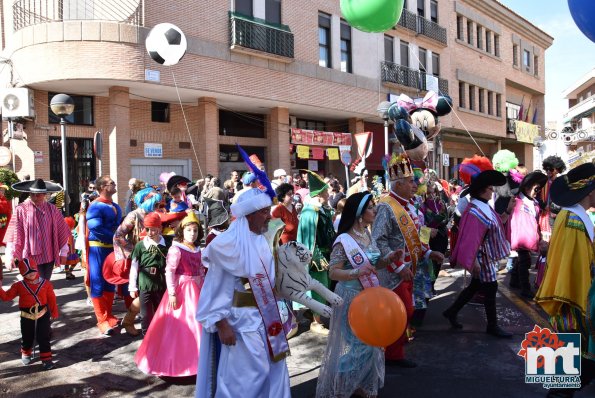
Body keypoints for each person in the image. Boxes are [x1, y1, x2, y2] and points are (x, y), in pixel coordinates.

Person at [196, 187, 291, 398]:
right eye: (264, 212)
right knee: (246, 379)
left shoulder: (263, 240)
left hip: (269, 320)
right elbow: (215, 288)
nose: (269, 216)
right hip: (242, 324)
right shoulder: (227, 246)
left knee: (276, 370)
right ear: (249, 214)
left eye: (268, 211)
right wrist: (221, 324)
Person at [316, 192, 403, 398]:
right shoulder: (343, 240)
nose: (375, 210)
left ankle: (359, 384)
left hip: (369, 297)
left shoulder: (367, 234)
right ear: (359, 214)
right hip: (350, 297)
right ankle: (339, 378)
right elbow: (333, 272)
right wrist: (356, 272)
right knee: (360, 346)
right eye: (371, 208)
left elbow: (374, 264)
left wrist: (390, 258)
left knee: (372, 343)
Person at [371, 153, 444, 368]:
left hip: (409, 268)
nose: (416, 184)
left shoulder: (409, 205)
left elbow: (415, 235)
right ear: (399, 183)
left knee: (405, 311)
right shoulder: (386, 206)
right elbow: (378, 242)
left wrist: (429, 253)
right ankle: (392, 354)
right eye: (411, 181)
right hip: (393, 272)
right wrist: (399, 265)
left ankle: (395, 346)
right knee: (401, 311)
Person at [535, 162, 595, 397]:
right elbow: (579, 270)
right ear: (590, 191)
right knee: (568, 378)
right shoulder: (574, 221)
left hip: (569, 303)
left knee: (565, 378)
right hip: (573, 304)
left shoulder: (573, 216)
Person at [443, 157, 513, 338]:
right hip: (482, 257)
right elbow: (471, 239)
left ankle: (452, 311)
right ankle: (492, 326)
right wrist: (473, 261)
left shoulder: (483, 206)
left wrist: (507, 211)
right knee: (490, 288)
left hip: (486, 256)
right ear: (482, 190)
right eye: (490, 188)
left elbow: (497, 224)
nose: (492, 191)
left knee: (474, 287)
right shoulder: (476, 209)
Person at [135, 212, 206, 376]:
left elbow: (201, 271)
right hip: (181, 291)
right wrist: (173, 293)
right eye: (189, 230)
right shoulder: (176, 248)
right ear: (182, 231)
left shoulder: (197, 249)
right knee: (179, 326)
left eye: (195, 230)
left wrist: (203, 289)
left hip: (196, 291)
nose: (192, 234)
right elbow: (169, 272)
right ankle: (175, 362)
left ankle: (198, 360)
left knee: (197, 325)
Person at [6, 179, 71, 281]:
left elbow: (61, 231)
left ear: (45, 194)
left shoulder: (53, 209)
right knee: (33, 284)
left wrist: (63, 253)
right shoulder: (21, 209)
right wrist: (9, 255)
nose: (35, 197)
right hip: (29, 255)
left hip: (49, 254)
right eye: (32, 194)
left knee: (45, 283)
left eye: (38, 194)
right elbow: (13, 234)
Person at [0, 258, 58, 370]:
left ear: (37, 269)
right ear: (22, 273)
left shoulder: (46, 284)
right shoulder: (18, 285)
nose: (31, 274)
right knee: (27, 336)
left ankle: (46, 359)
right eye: (27, 273)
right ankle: (26, 353)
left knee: (44, 337)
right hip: (26, 315)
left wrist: (54, 311)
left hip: (43, 313)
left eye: (33, 271)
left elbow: (52, 298)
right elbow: (6, 297)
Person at [297, 170, 335, 335]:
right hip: (316, 256)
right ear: (320, 193)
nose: (329, 193)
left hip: (325, 253)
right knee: (318, 288)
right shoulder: (310, 212)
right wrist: (315, 257)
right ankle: (316, 322)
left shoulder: (322, 209)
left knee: (324, 287)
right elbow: (309, 239)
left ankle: (315, 315)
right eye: (326, 191)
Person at [85, 176, 122, 335]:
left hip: (111, 249)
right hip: (98, 249)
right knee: (98, 282)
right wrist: (115, 237)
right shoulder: (95, 206)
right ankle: (102, 320)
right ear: (102, 187)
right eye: (111, 183)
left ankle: (109, 315)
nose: (114, 184)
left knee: (110, 282)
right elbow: (95, 227)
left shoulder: (115, 206)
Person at [508, 171, 547, 299]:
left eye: (539, 189)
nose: (538, 191)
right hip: (521, 237)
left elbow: (535, 221)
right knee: (525, 261)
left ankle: (514, 280)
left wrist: (538, 236)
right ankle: (525, 289)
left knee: (522, 260)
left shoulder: (534, 202)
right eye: (536, 188)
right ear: (526, 187)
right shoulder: (517, 201)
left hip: (529, 236)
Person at [128, 212, 168, 336]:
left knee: (161, 311)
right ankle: (146, 337)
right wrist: (132, 286)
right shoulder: (140, 246)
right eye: (147, 229)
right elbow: (134, 267)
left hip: (162, 282)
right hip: (145, 283)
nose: (150, 233)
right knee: (145, 314)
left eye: (154, 230)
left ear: (160, 228)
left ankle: (161, 335)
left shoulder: (167, 244)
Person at [0, 184, 12, 274]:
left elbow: (9, 214)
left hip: (4, 227)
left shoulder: (6, 201)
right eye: (1, 190)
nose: (2, 192)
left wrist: (10, 225)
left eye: (3, 191)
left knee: (7, 245)